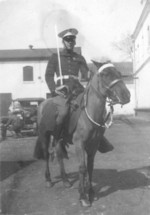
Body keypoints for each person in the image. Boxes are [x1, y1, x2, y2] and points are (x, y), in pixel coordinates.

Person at [45, 28, 89, 139]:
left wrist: (89, 74)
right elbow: (48, 75)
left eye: (72, 40)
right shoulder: (55, 57)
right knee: (64, 112)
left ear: (74, 42)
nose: (70, 42)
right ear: (63, 42)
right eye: (67, 40)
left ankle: (98, 138)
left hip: (77, 89)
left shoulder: (79, 57)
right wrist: (54, 89)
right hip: (62, 90)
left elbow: (86, 74)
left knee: (91, 107)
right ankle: (57, 137)